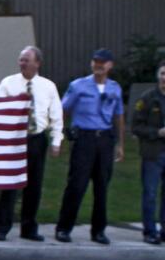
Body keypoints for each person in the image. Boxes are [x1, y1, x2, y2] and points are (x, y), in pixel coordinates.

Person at [55, 48, 127, 245]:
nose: (98, 65)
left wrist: (120, 143)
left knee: (102, 187)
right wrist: (60, 134)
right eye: (95, 61)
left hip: (104, 139)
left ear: (110, 65)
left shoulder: (115, 88)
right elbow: (63, 109)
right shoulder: (78, 86)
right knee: (76, 185)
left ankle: (99, 231)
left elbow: (118, 116)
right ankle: (64, 228)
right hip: (84, 139)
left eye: (103, 62)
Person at [0, 46, 63, 242]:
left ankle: (28, 228)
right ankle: (1, 228)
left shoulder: (48, 86)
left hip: (37, 138)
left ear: (37, 63)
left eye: (26, 60)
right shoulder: (8, 83)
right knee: (10, 185)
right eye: (21, 59)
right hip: (14, 138)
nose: (22, 63)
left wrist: (57, 140)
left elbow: (56, 115)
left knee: (34, 185)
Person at [130, 61, 165, 244]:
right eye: (162, 73)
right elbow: (136, 126)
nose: (164, 78)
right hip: (153, 153)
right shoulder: (148, 98)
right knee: (150, 193)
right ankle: (149, 231)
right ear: (158, 76)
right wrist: (156, 132)